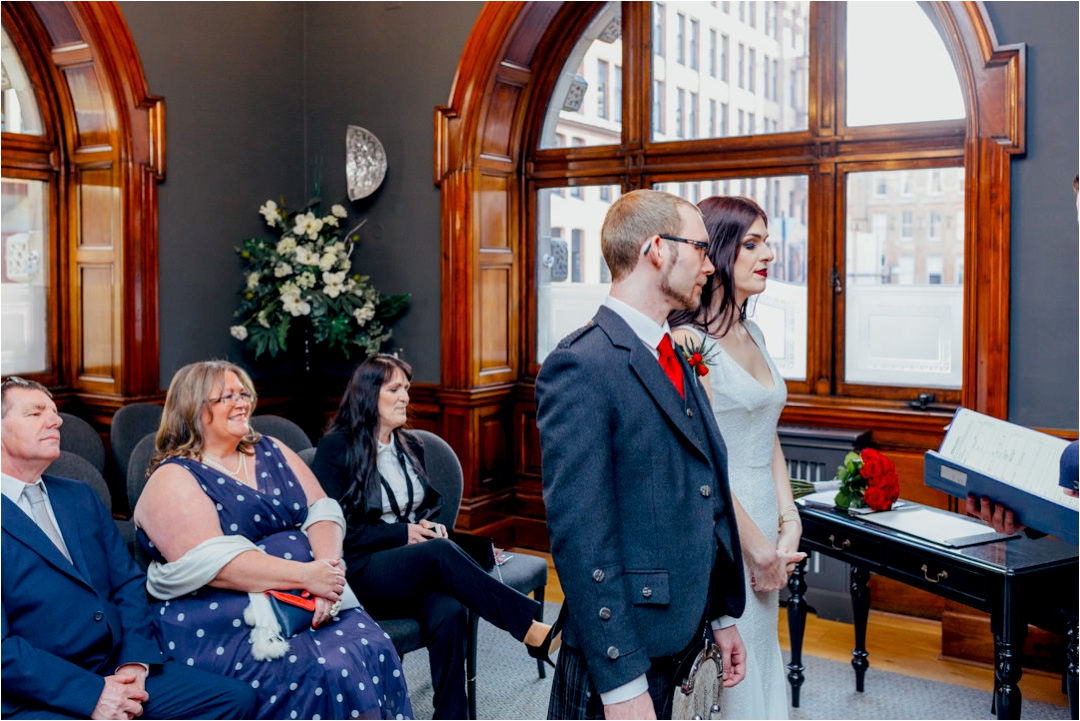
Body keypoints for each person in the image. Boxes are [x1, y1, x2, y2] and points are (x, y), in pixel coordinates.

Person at [535, 188, 747, 720]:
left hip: (684, 630)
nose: (710, 266)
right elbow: (581, 539)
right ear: (657, 249)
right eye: (700, 249)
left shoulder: (671, 348)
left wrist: (719, 614)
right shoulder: (581, 366)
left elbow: (704, 491)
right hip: (625, 650)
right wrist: (621, 681)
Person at [132, 361, 412, 720]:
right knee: (321, 671)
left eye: (243, 393)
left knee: (373, 646)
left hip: (309, 592)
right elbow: (216, 565)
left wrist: (326, 573)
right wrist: (307, 578)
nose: (241, 402)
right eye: (226, 397)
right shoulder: (174, 476)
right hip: (224, 616)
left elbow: (323, 510)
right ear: (195, 409)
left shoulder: (271, 448)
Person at [310, 354, 560, 720]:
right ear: (368, 395)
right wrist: (403, 533)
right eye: (394, 389)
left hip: (412, 569)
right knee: (442, 554)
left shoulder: (410, 446)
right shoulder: (337, 449)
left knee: (448, 609)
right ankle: (527, 627)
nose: (405, 397)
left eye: (407, 389)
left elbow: (426, 505)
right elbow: (336, 533)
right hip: (362, 572)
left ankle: (451, 715)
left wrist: (429, 526)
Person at [1, 376, 256, 720]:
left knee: (235, 699)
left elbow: (128, 584)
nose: (56, 420)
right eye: (35, 413)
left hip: (116, 665)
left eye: (54, 410)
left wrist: (134, 660)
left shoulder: (79, 496)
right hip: (39, 692)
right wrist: (92, 695)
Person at [669, 195, 806, 720]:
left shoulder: (756, 333)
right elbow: (697, 459)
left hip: (767, 516)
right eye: (752, 243)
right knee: (727, 670)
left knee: (762, 658)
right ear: (719, 252)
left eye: (767, 241)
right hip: (722, 523)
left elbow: (766, 434)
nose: (767, 253)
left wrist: (789, 523)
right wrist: (754, 546)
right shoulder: (688, 344)